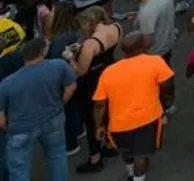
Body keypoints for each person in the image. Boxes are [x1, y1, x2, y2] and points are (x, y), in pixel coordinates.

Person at [92, 33, 173, 180]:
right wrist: (166, 106)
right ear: (141, 46)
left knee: (126, 152)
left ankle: (130, 173)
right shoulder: (155, 61)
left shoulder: (108, 72)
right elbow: (167, 86)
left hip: (118, 124)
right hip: (148, 119)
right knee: (141, 155)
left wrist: (99, 126)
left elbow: (99, 105)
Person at [0, 37, 76, 181]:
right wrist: (61, 103)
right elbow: (71, 86)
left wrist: (8, 128)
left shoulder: (7, 84)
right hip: (53, 118)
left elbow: (1, 120)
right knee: (57, 155)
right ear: (42, 52)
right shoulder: (58, 65)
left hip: (20, 129)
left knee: (19, 168)